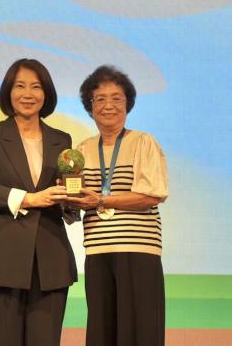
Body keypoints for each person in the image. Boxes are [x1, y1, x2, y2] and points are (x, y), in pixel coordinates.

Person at [0, 58, 77, 346]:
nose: (28, 94)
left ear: (46, 93)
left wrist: (74, 198)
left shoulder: (61, 140)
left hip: (50, 260)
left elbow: (66, 197)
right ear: (8, 91)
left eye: (36, 87)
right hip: (0, 258)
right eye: (20, 86)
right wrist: (29, 199)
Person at [66, 65, 169, 346]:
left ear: (128, 104)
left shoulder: (142, 142)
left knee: (140, 332)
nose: (108, 105)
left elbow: (152, 195)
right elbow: (76, 205)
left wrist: (102, 200)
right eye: (99, 99)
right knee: (102, 332)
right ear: (90, 106)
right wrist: (66, 200)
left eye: (116, 98)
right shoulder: (81, 150)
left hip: (138, 250)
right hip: (98, 250)